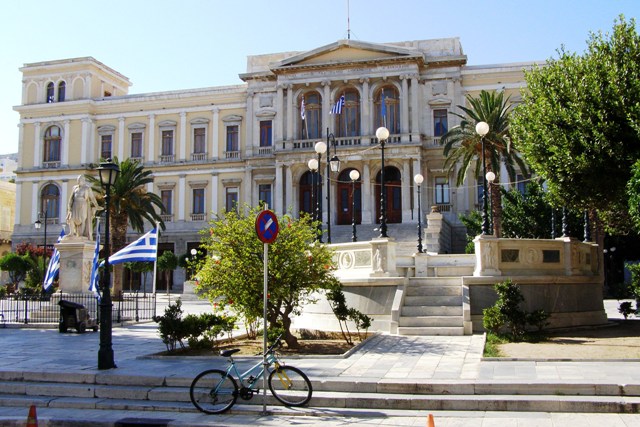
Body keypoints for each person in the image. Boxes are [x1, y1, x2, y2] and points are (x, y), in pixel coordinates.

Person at [66, 175, 98, 240]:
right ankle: (71, 233)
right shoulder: (74, 188)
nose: (79, 181)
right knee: (71, 218)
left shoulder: (87, 188)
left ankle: (81, 234)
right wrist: (69, 206)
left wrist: (96, 205)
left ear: (83, 180)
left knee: (83, 219)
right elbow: (71, 198)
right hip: (75, 204)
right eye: (78, 180)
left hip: (83, 204)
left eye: (80, 179)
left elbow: (92, 197)